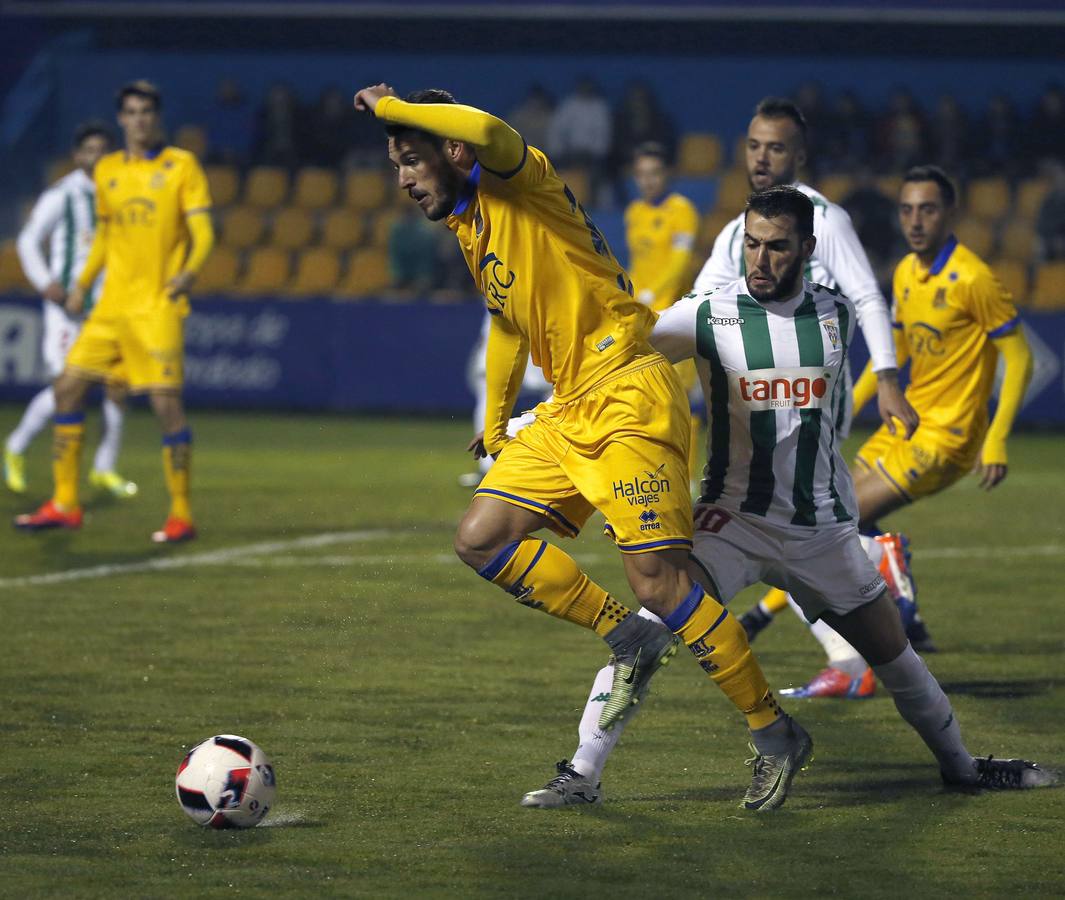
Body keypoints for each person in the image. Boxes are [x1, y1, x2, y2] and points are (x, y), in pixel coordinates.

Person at [521, 187, 1054, 809]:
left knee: (896, 658)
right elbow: (615, 365)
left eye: (777, 247)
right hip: (731, 521)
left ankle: (962, 767)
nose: (761, 259)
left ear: (806, 249)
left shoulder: (836, 314)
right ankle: (582, 774)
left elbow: (872, 307)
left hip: (822, 529)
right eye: (752, 244)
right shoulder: (706, 314)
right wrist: (535, 420)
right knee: (649, 631)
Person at [355, 83, 810, 811]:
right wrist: (498, 420)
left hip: (628, 395)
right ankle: (625, 636)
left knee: (661, 582)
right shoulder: (472, 227)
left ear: (452, 151)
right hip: (569, 409)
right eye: (395, 164)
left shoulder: (519, 178)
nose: (403, 179)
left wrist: (391, 108)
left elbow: (482, 125)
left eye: (411, 160)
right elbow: (508, 322)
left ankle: (772, 731)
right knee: (480, 538)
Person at [742, 165, 1037, 696]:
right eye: (907, 209)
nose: (915, 220)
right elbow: (894, 356)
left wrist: (995, 436)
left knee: (829, 517)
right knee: (817, 510)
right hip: (907, 424)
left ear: (950, 213)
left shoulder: (973, 279)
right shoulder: (905, 271)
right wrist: (841, 407)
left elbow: (1018, 358)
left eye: (927, 209)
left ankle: (859, 633)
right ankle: (881, 621)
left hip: (947, 437)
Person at [694, 97, 925, 697]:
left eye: (775, 147)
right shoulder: (734, 233)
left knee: (785, 526)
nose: (762, 157)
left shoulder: (826, 219)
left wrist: (891, 376)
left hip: (811, 401)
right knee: (786, 529)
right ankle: (856, 640)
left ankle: (860, 629)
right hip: (751, 407)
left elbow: (868, 297)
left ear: (798, 155)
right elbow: (699, 307)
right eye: (753, 145)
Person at [14, 80, 214, 543]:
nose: (139, 119)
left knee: (166, 407)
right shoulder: (107, 170)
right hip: (109, 308)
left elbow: (203, 232)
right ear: (121, 119)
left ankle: (181, 514)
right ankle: (65, 503)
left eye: (146, 111)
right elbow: (105, 236)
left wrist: (189, 271)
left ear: (156, 117)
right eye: (131, 111)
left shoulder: (181, 166)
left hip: (156, 306)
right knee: (67, 390)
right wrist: (82, 285)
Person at [5, 122, 137, 500]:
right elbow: (29, 239)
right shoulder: (62, 195)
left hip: (107, 307)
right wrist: (45, 281)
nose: (97, 157)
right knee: (69, 389)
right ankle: (15, 447)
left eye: (104, 150)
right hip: (67, 309)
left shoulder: (119, 194)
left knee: (116, 385)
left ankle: (104, 468)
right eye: (90, 150)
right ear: (78, 155)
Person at [623, 141, 701, 480]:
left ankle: (686, 476)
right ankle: (650, 471)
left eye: (654, 173)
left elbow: (681, 262)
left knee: (680, 401)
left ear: (667, 174)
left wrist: (656, 295)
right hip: (641, 316)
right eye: (641, 174)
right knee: (641, 398)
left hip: (674, 317)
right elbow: (637, 263)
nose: (647, 181)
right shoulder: (634, 212)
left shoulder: (682, 210)